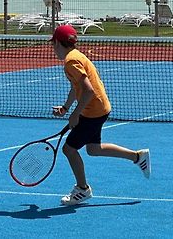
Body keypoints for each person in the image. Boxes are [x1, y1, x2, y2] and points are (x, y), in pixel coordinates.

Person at [51, 24, 150, 206]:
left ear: (57, 43)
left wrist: (75, 115)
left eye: (53, 44)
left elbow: (87, 91)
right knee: (93, 149)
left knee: (69, 149)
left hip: (93, 111)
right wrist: (66, 108)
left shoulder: (70, 62)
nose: (53, 48)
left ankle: (82, 189)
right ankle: (138, 156)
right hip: (99, 108)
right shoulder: (77, 56)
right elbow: (77, 87)